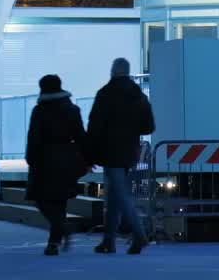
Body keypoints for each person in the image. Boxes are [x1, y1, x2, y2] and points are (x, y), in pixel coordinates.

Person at [86, 58, 154, 255]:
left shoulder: (105, 94)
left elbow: (94, 127)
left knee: (121, 196)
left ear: (113, 71)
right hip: (130, 151)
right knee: (114, 196)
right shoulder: (139, 96)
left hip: (110, 151)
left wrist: (89, 154)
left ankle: (140, 235)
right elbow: (148, 126)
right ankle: (109, 242)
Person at [25, 74, 88, 256]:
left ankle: (60, 230)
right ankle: (54, 241)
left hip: (45, 159)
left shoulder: (40, 110)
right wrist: (87, 157)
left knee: (41, 198)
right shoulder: (72, 109)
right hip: (68, 158)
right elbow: (80, 136)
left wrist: (31, 158)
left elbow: (34, 136)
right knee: (60, 202)